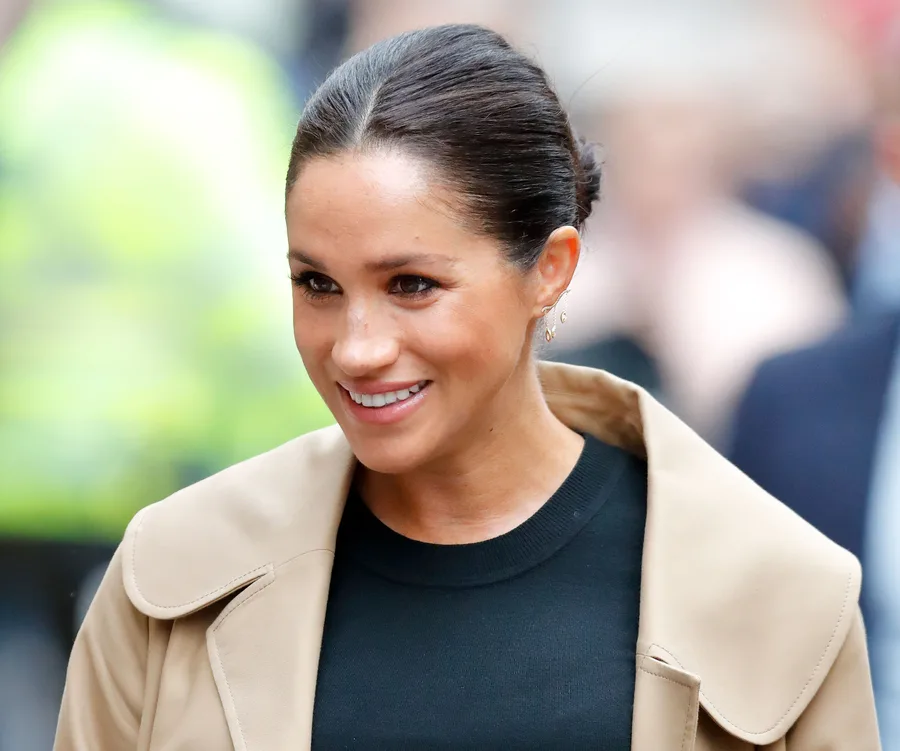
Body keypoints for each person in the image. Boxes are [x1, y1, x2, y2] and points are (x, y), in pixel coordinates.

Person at [54, 24, 880, 750]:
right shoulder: (172, 576)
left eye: (411, 283)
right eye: (317, 284)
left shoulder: (779, 590)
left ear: (549, 272)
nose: (356, 347)